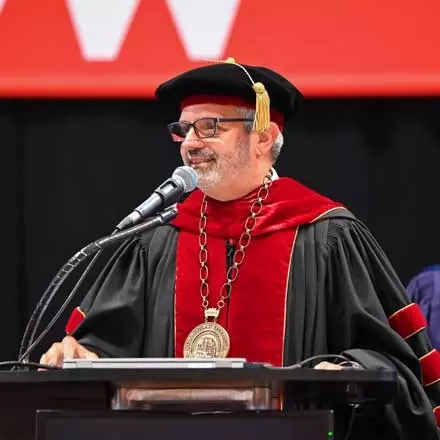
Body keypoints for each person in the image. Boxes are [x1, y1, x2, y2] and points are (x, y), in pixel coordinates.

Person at [40, 58, 440, 439]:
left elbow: (394, 366)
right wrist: (82, 355)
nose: (190, 143)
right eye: (184, 129)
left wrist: (344, 369)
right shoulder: (158, 239)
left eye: (209, 127)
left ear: (263, 137)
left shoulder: (326, 235)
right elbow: (108, 349)